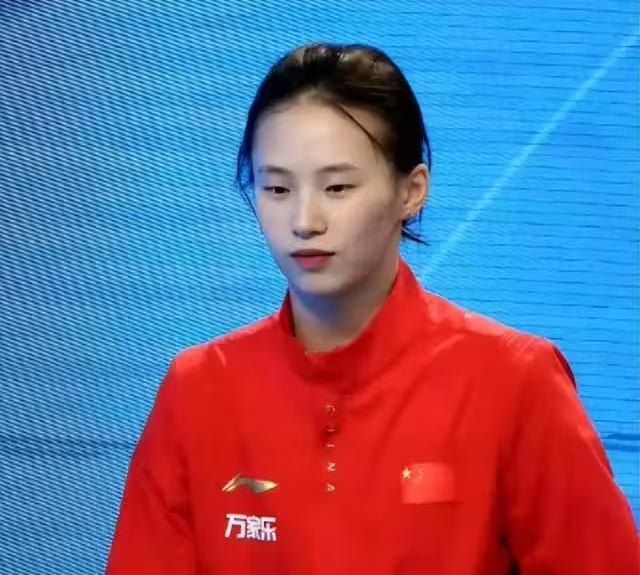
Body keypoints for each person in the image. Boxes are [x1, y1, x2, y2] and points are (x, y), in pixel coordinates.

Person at [106, 43, 638, 574]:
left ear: (412, 190)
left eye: (337, 187)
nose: (304, 221)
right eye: (277, 188)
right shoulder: (199, 389)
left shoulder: (513, 380)